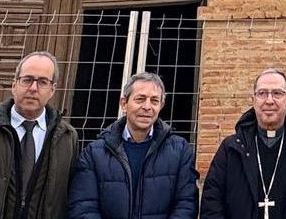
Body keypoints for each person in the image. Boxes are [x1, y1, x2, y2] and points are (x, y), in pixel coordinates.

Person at [0, 51, 79, 219]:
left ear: (52, 90)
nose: (33, 88)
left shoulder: (67, 138)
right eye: (27, 80)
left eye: (43, 82)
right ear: (14, 84)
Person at [68, 71, 198, 219]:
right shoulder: (94, 153)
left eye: (154, 101)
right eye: (140, 99)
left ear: (161, 105)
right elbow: (83, 207)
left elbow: (186, 205)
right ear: (124, 103)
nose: (147, 107)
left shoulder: (180, 151)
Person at [204, 68, 286, 219]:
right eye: (262, 93)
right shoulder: (231, 149)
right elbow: (212, 201)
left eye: (277, 93)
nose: (269, 100)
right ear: (253, 101)